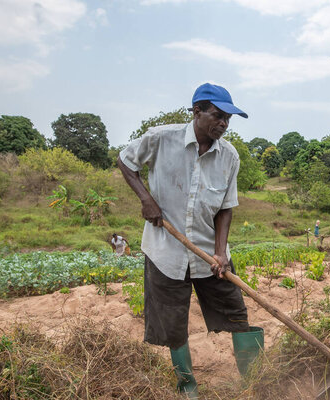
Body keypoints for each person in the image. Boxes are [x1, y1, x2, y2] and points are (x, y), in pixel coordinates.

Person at [117, 83, 262, 398]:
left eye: (228, 119)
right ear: (197, 111)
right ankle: (187, 388)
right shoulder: (160, 138)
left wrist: (221, 253)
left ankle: (255, 384)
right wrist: (146, 199)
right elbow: (126, 161)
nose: (223, 123)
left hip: (210, 254)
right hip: (165, 252)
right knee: (173, 323)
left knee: (236, 312)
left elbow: (225, 208)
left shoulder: (229, 156)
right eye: (218, 116)